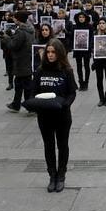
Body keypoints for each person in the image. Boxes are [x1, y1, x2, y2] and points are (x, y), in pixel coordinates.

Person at [32, 39, 78, 192]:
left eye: (53, 52)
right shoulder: (40, 71)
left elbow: (72, 92)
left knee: (62, 145)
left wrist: (65, 104)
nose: (50, 55)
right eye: (48, 52)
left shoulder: (66, 71)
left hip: (62, 115)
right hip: (45, 116)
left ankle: (61, 174)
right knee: (48, 145)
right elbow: (33, 92)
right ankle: (52, 174)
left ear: (59, 53)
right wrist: (37, 105)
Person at [1, 11, 35, 113]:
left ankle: (29, 106)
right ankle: (16, 104)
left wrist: (6, 38)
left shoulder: (20, 31)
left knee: (24, 84)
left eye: (15, 18)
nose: (13, 19)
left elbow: (13, 46)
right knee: (21, 83)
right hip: (27, 59)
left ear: (18, 19)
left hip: (21, 60)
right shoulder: (30, 28)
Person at [72, 11, 93, 91]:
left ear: (85, 18)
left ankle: (86, 82)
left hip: (86, 49)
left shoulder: (89, 26)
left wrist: (90, 47)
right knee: (79, 66)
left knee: (87, 66)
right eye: (80, 17)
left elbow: (91, 37)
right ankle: (81, 83)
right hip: (78, 49)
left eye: (83, 17)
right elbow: (72, 37)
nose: (81, 19)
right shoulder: (75, 26)